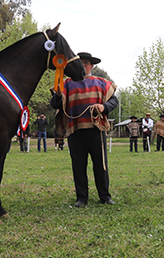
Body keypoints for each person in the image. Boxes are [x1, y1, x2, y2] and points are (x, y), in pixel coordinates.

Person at [51, 52, 118, 207]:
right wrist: (57, 94)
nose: (83, 65)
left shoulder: (102, 83)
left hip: (97, 129)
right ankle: (82, 198)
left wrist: (104, 106)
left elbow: (114, 100)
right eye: (80, 63)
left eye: (86, 63)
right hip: (75, 130)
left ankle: (105, 196)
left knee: (100, 165)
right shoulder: (66, 83)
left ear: (91, 66)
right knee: (78, 165)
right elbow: (54, 104)